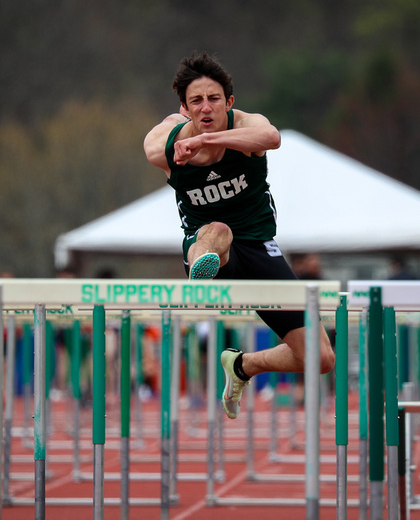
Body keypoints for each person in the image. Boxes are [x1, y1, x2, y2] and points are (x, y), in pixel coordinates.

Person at [143, 52, 334, 420]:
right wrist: (186, 142)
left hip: (261, 247)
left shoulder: (247, 125)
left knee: (322, 358)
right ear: (184, 108)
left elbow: (272, 137)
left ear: (229, 102)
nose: (206, 107)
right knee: (218, 230)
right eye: (196, 101)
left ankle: (243, 366)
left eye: (214, 99)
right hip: (210, 245)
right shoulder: (170, 139)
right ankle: (203, 273)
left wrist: (208, 140)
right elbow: (152, 147)